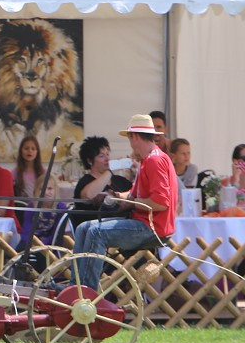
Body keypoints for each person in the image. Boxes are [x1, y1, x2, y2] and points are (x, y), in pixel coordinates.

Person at [73, 114, 178, 289]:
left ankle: (86, 291)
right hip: (145, 223)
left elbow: (160, 203)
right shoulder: (149, 159)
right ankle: (75, 286)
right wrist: (115, 196)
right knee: (84, 228)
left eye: (129, 137)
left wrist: (131, 202)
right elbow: (137, 194)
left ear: (135, 136)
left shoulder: (154, 160)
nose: (129, 142)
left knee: (95, 233)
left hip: (152, 228)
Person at [72, 135, 133, 218]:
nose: (107, 159)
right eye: (101, 156)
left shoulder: (120, 180)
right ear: (90, 161)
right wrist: (110, 171)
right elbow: (88, 195)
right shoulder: (85, 181)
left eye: (107, 154)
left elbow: (136, 192)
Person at [20, 174, 70, 246]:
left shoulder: (61, 208)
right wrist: (30, 244)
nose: (46, 192)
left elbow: (56, 234)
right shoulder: (31, 208)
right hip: (29, 244)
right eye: (42, 189)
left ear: (55, 190)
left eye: (50, 188)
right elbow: (26, 231)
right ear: (36, 190)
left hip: (50, 245)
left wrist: (41, 245)